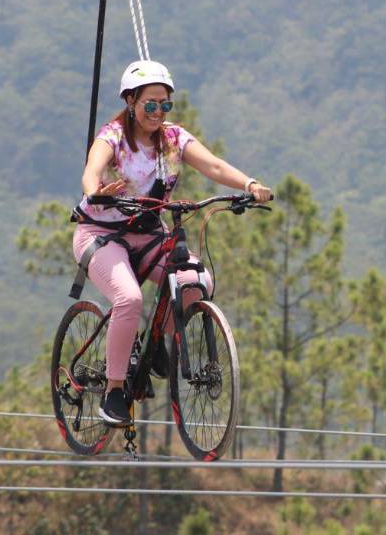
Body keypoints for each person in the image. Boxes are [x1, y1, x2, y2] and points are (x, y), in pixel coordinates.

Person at [73, 60, 272, 426]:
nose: (158, 112)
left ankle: (154, 342)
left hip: (149, 234)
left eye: (165, 105)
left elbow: (213, 166)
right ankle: (115, 391)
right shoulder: (114, 136)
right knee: (129, 298)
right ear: (131, 101)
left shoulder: (174, 139)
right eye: (150, 104)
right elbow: (92, 169)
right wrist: (96, 192)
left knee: (197, 283)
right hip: (103, 234)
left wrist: (249, 185)